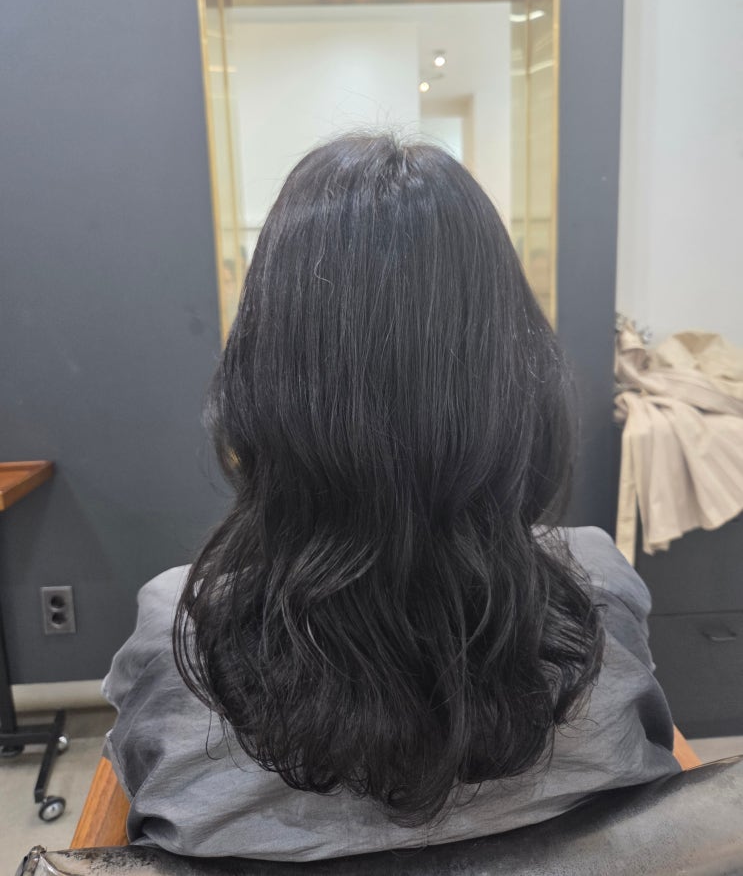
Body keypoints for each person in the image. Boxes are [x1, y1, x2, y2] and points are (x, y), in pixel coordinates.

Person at [103, 134, 679, 862]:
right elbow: (654, 788)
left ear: (263, 384)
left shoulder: (179, 628)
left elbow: (139, 818)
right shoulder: (599, 589)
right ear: (516, 381)